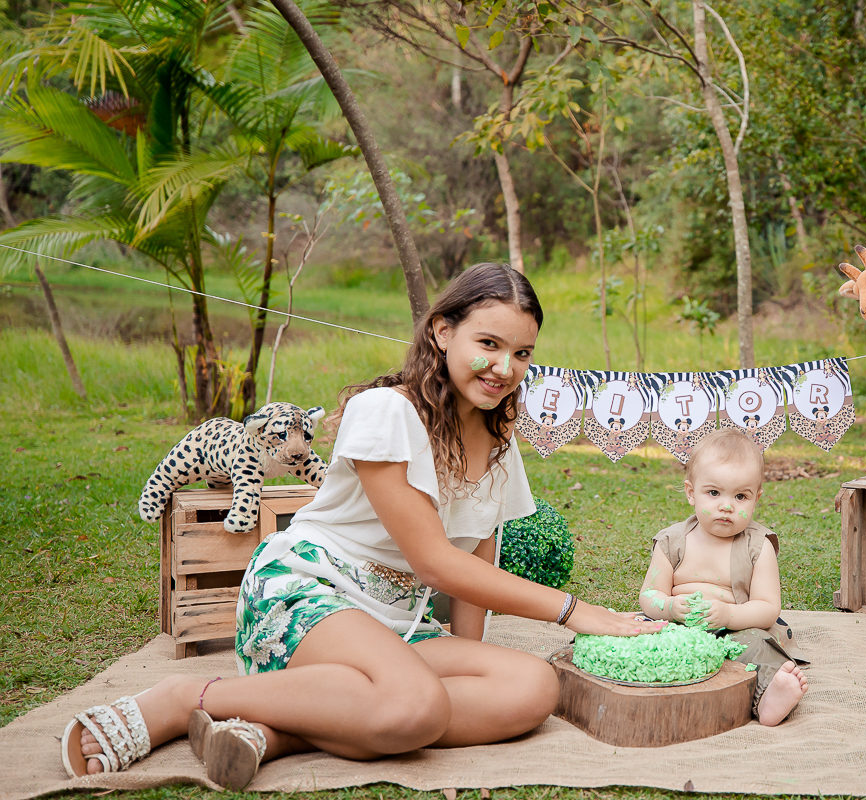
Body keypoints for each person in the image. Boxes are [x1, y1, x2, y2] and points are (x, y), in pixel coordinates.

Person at [62, 263, 660, 788]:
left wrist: (468, 657)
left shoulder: (501, 443)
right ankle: (178, 702)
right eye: (490, 343)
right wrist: (575, 611)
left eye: (522, 353)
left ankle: (276, 733)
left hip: (396, 626)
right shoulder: (387, 413)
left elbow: (480, 555)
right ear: (442, 331)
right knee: (417, 706)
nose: (505, 367)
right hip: (309, 592)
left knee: (531, 688)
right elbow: (433, 561)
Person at [637, 428, 809, 726]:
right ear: (692, 492)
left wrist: (729, 614)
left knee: (761, 648)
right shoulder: (672, 541)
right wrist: (669, 607)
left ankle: (769, 698)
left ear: (756, 498)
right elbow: (649, 595)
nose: (726, 505)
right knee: (634, 632)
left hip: (736, 629)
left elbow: (768, 608)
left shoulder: (758, 546)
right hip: (677, 626)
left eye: (740, 496)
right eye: (713, 493)